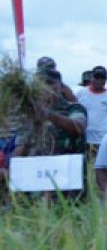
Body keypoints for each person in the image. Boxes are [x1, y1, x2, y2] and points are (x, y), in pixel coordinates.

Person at [9, 69, 88, 200]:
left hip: (68, 184)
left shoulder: (73, 109)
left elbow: (78, 127)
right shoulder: (29, 115)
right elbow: (19, 150)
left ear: (61, 87)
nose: (45, 88)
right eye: (39, 84)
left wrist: (47, 114)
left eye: (49, 83)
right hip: (36, 186)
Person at [75, 65, 107, 152]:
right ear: (91, 78)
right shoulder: (80, 93)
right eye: (96, 77)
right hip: (83, 138)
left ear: (106, 80)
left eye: (102, 78)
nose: (99, 80)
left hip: (103, 139)